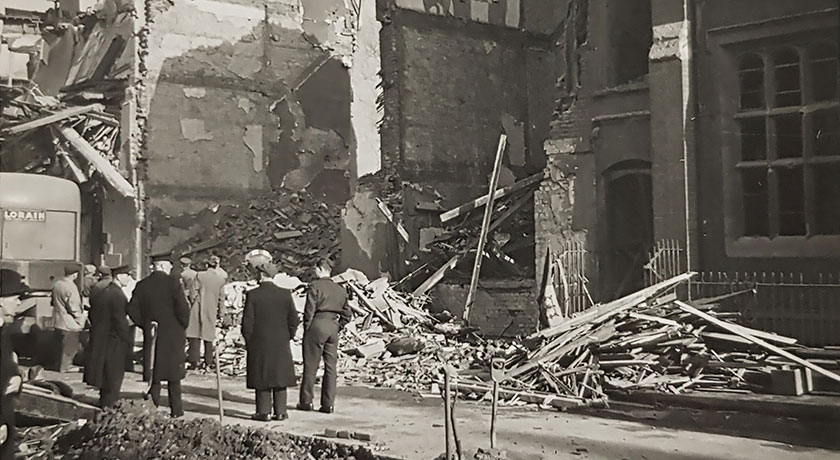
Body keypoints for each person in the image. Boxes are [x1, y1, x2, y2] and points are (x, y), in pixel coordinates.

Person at [127, 256, 190, 418]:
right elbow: (182, 308)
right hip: (172, 334)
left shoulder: (142, 285)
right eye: (169, 265)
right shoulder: (173, 283)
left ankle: (153, 408)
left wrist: (145, 324)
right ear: (163, 265)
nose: (170, 269)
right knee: (173, 375)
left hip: (153, 332)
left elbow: (132, 309)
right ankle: (177, 410)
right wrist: (182, 325)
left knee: (154, 370)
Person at [243, 262, 299, 421]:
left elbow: (248, 323)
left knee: (262, 376)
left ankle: (264, 411)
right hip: (280, 342)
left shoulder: (253, 295)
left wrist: (250, 341)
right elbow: (294, 320)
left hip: (259, 342)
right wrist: (287, 335)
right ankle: (281, 411)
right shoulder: (285, 294)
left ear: (261, 275)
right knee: (279, 376)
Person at [298, 258, 351, 414]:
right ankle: (328, 404)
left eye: (316, 269)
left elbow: (309, 311)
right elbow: (347, 314)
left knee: (311, 366)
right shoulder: (340, 290)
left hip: (317, 324)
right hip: (333, 326)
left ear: (320, 269)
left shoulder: (315, 286)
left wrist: (308, 329)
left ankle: (306, 402)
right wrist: (338, 326)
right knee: (331, 367)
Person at [83, 270, 131, 408]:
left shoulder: (103, 291)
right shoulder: (117, 295)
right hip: (113, 339)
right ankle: (109, 405)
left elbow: (92, 314)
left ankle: (104, 401)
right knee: (113, 375)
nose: (129, 279)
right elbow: (119, 320)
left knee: (104, 373)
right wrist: (126, 337)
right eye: (128, 275)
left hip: (100, 336)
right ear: (120, 276)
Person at [0, 270, 25, 460]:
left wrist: (18, 378)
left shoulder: (4, 332)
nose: (19, 303)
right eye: (16, 297)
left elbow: (9, 366)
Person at [186, 262, 226, 369]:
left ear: (206, 265)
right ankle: (208, 360)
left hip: (198, 306)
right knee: (209, 335)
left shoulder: (199, 275)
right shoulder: (221, 280)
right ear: (217, 266)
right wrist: (221, 313)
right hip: (211, 308)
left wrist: (192, 301)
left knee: (195, 334)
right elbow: (222, 298)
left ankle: (194, 361)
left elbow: (193, 292)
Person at [51, 266, 85, 372]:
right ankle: (66, 366)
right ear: (75, 274)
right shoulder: (71, 287)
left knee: (60, 345)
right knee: (70, 345)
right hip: (69, 321)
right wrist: (80, 317)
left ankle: (58, 364)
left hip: (58, 319)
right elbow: (73, 305)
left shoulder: (57, 284)